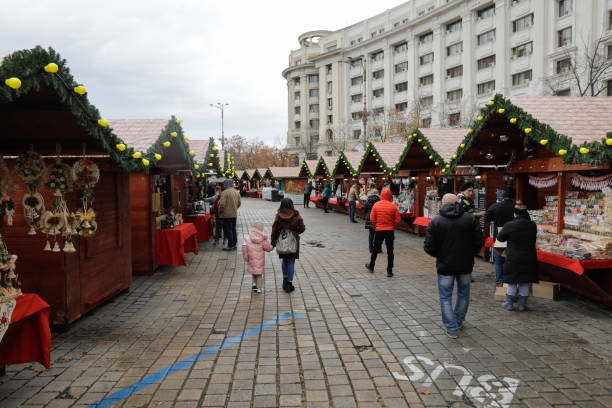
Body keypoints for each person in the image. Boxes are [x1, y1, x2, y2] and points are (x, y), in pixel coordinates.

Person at [424, 194, 484, 338]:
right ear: (457, 202)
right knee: (464, 293)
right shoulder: (469, 219)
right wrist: (471, 253)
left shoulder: (436, 221)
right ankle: (458, 320)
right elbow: (480, 240)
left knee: (445, 296)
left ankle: (451, 327)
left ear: (443, 204)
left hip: (445, 265)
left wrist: (440, 255)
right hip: (465, 264)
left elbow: (428, 246)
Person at [496, 201, 538, 312]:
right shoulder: (532, 225)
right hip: (529, 256)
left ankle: (509, 303)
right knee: (525, 281)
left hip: (513, 256)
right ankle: (522, 305)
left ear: (515, 213)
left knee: (512, 280)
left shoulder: (509, 225)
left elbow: (500, 238)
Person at [271, 198, 306, 293]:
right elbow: (302, 228)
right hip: (293, 241)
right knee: (291, 261)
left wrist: (273, 243)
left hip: (282, 240)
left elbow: (274, 229)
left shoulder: (278, 216)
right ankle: (289, 284)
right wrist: (295, 232)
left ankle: (284, 280)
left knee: (284, 260)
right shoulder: (296, 215)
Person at [365, 188, 401, 277]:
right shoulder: (393, 206)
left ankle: (371, 265)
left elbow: (372, 218)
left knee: (375, 249)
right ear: (390, 196)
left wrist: (377, 225)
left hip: (379, 230)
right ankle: (389, 270)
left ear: (381, 195)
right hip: (389, 231)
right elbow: (398, 219)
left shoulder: (376, 205)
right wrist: (392, 225)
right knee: (390, 250)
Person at [484, 187, 516, 287]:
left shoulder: (496, 206)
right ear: (513, 197)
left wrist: (496, 218)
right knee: (511, 261)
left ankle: (499, 283)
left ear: (503, 196)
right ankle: (509, 283)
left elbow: (486, 218)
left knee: (499, 261)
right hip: (513, 238)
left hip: (499, 236)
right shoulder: (516, 207)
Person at [242, 221, 274, 294]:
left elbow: (244, 247)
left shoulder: (248, 238)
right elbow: (268, 248)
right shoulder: (263, 238)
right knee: (259, 274)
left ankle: (254, 284)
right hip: (259, 261)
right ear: (261, 229)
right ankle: (259, 288)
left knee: (254, 272)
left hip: (251, 259)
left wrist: (246, 257)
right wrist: (273, 245)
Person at [218, 179, 241, 251]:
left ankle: (230, 245)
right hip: (234, 214)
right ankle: (234, 243)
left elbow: (222, 204)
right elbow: (239, 203)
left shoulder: (225, 192)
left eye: (225, 184)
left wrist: (220, 212)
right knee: (233, 229)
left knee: (228, 230)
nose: (224, 185)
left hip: (226, 214)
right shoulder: (236, 192)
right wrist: (234, 208)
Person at [363, 184, 381, 254]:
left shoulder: (367, 201)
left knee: (371, 234)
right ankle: (378, 249)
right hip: (377, 218)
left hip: (369, 218)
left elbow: (364, 210)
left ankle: (371, 249)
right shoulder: (379, 201)